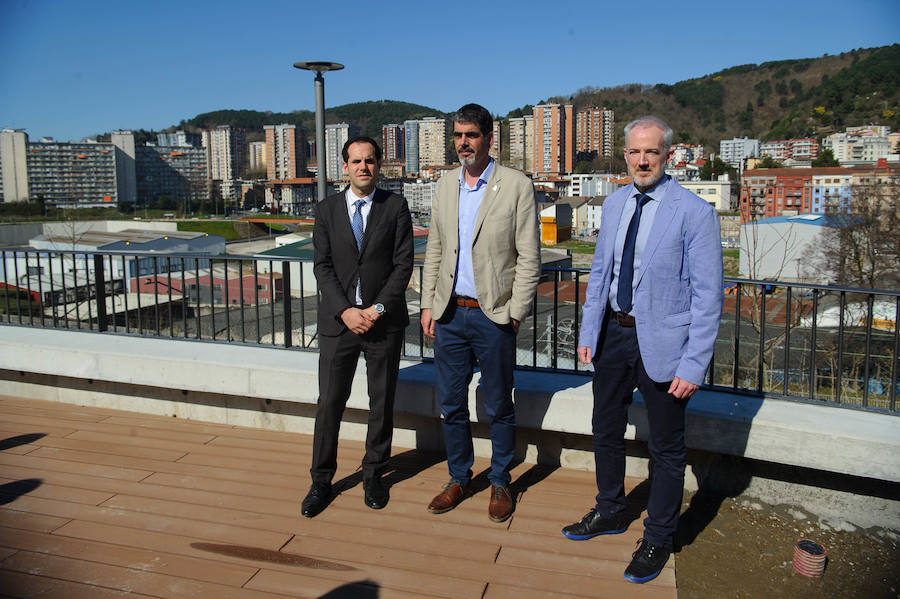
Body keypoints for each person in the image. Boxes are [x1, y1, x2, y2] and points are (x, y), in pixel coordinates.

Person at [562, 116, 723, 583]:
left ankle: (657, 537)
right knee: (604, 428)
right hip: (614, 335)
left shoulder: (694, 212)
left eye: (651, 151)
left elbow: (708, 297)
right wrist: (589, 333)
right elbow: (599, 276)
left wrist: (694, 364)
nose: (642, 159)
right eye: (634, 151)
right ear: (626, 155)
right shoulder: (614, 205)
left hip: (666, 344)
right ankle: (610, 509)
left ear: (668, 155)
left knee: (667, 448)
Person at [420, 103, 541, 523]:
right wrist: (427, 303)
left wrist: (515, 313)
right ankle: (459, 477)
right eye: (457, 135)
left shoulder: (516, 185)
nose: (463, 143)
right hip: (450, 314)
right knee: (450, 403)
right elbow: (435, 247)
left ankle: (501, 480)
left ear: (490, 138)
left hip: (493, 316)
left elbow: (529, 257)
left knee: (498, 404)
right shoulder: (445, 184)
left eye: (471, 135)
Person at [301, 136, 414, 517]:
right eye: (356, 161)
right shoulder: (327, 210)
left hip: (383, 324)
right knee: (330, 403)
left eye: (369, 161)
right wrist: (346, 311)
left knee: (381, 403)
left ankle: (374, 475)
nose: (363, 167)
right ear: (345, 167)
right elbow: (322, 266)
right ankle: (321, 481)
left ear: (379, 165)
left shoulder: (395, 207)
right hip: (339, 324)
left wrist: (377, 308)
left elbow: (403, 265)